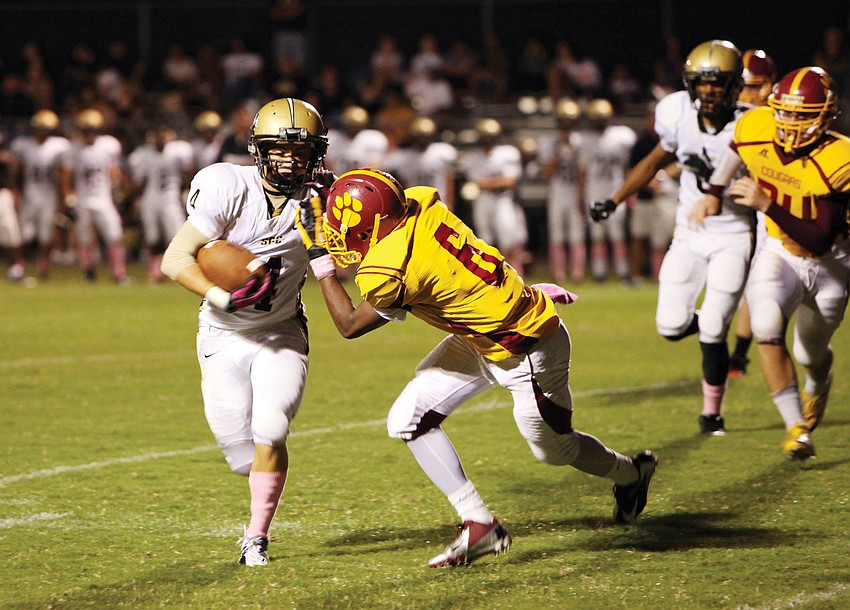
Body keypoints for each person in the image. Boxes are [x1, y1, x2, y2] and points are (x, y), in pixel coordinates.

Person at [295, 168, 657, 567]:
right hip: (486, 334)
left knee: (556, 451)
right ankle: (480, 523)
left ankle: (632, 474)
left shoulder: (389, 268)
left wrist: (320, 261)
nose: (336, 233)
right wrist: (336, 194)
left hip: (527, 352)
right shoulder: (419, 203)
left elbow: (349, 324)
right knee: (407, 418)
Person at [160, 98, 331, 566]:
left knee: (271, 429)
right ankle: (258, 485)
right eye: (279, 149)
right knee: (241, 456)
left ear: (316, 154)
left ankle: (255, 538)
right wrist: (222, 295)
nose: (290, 159)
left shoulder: (323, 201)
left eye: (301, 151)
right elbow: (175, 259)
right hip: (221, 331)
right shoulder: (227, 186)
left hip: (280, 331)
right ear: (258, 148)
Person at [591, 40, 754, 436]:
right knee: (670, 325)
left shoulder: (753, 124)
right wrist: (614, 200)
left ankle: (711, 414)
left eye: (718, 84)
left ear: (734, 86)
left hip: (734, 234)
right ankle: (713, 320)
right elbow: (652, 163)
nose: (709, 92)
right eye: (702, 84)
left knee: (714, 327)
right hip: (690, 233)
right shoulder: (677, 113)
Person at [693, 66, 850, 460]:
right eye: (787, 112)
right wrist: (713, 191)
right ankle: (796, 428)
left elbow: (819, 236)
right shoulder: (756, 125)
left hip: (831, 264)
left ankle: (819, 380)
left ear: (826, 115)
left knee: (809, 353)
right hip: (780, 254)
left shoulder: (840, 156)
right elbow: (736, 149)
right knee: (765, 323)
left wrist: (767, 204)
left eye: (803, 114)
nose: (792, 123)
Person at [728, 49, 777, 376]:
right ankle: (739, 357)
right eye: (745, 87)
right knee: (755, 284)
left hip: (782, 207)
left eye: (756, 85)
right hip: (751, 211)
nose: (750, 94)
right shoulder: (734, 117)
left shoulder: (782, 116)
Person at [59, 107, 130, 283]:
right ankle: (88, 271)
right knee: (84, 238)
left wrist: (118, 191)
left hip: (103, 197)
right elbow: (66, 176)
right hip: (83, 198)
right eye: (86, 129)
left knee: (114, 234)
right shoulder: (73, 149)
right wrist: (69, 198)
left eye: (93, 129)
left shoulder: (108, 145)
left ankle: (118, 273)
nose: (90, 133)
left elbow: (114, 171)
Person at [576, 98, 636, 282]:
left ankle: (622, 271)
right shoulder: (585, 140)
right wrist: (580, 195)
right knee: (597, 235)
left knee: (617, 234)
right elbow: (582, 171)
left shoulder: (622, 136)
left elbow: (628, 167)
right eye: (595, 117)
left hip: (615, 190)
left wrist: (630, 190)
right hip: (594, 191)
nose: (598, 120)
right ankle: (599, 272)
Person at [127, 123, 195, 282]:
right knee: (152, 238)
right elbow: (140, 181)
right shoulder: (143, 154)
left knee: (177, 235)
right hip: (151, 197)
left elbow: (188, 171)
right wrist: (135, 198)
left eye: (163, 135)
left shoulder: (178, 151)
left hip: (171, 197)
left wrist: (186, 190)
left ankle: (177, 269)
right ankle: (154, 270)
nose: (161, 139)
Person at [9, 109, 71, 280]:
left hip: (48, 194)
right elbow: (17, 171)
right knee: (23, 234)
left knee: (46, 235)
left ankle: (43, 269)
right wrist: (15, 191)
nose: (45, 131)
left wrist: (64, 197)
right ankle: (18, 268)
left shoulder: (59, 146)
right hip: (30, 193)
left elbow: (62, 173)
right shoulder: (24, 145)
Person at [460, 118, 527, 275]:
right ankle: (490, 275)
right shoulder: (473, 158)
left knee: (508, 237)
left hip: (503, 199)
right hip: (483, 201)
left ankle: (511, 272)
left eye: (490, 135)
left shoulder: (507, 153)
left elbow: (509, 181)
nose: (487, 139)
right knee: (484, 240)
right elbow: (475, 182)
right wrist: (494, 183)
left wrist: (485, 184)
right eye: (484, 135)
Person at [538, 97, 587, 283]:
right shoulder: (549, 142)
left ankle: (577, 273)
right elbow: (547, 173)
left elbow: (583, 171)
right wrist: (559, 153)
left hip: (574, 192)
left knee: (577, 234)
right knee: (556, 233)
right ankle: (558, 273)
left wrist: (581, 195)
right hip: (557, 192)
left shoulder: (581, 141)